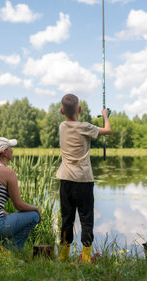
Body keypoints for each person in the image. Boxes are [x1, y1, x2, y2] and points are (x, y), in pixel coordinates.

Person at [57, 93, 111, 262]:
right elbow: (107, 131)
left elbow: (68, 115)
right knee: (86, 219)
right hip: (84, 180)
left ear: (62, 111)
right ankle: (86, 257)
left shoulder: (62, 127)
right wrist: (105, 116)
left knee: (67, 219)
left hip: (66, 179)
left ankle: (63, 256)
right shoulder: (86, 127)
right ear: (79, 109)